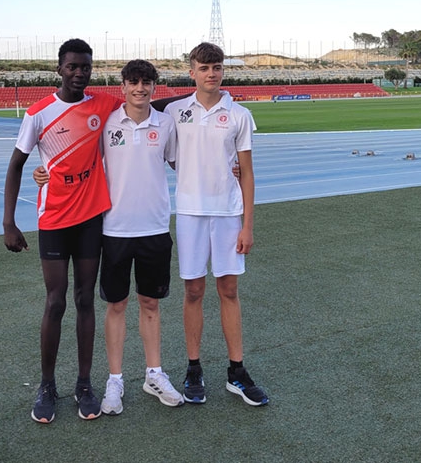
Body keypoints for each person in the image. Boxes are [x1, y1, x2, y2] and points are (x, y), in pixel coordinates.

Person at [34, 59, 184, 415]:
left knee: (151, 304)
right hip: (114, 228)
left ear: (154, 87)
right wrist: (46, 171)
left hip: (155, 227)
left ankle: (154, 374)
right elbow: (77, 158)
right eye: (133, 82)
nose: (140, 89)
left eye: (146, 83)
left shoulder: (165, 125)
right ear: (123, 87)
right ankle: (114, 381)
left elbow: (182, 162)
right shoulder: (106, 123)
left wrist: (230, 164)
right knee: (116, 306)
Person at [3, 38, 118, 423]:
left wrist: (199, 95)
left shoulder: (102, 105)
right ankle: (47, 385)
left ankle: (84, 384)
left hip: (90, 219)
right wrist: (8, 222)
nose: (79, 72)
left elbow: (146, 105)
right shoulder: (38, 113)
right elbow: (17, 165)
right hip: (52, 218)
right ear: (59, 69)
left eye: (85, 66)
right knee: (56, 302)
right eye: (72, 66)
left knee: (86, 300)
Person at [164, 42, 269, 406]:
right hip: (191, 213)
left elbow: (249, 174)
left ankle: (236, 371)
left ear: (223, 71)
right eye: (204, 68)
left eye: (217, 67)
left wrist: (248, 226)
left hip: (228, 214)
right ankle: (194, 369)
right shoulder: (176, 112)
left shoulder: (239, 115)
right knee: (193, 292)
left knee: (228, 290)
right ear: (191, 72)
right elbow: (171, 158)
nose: (212, 73)